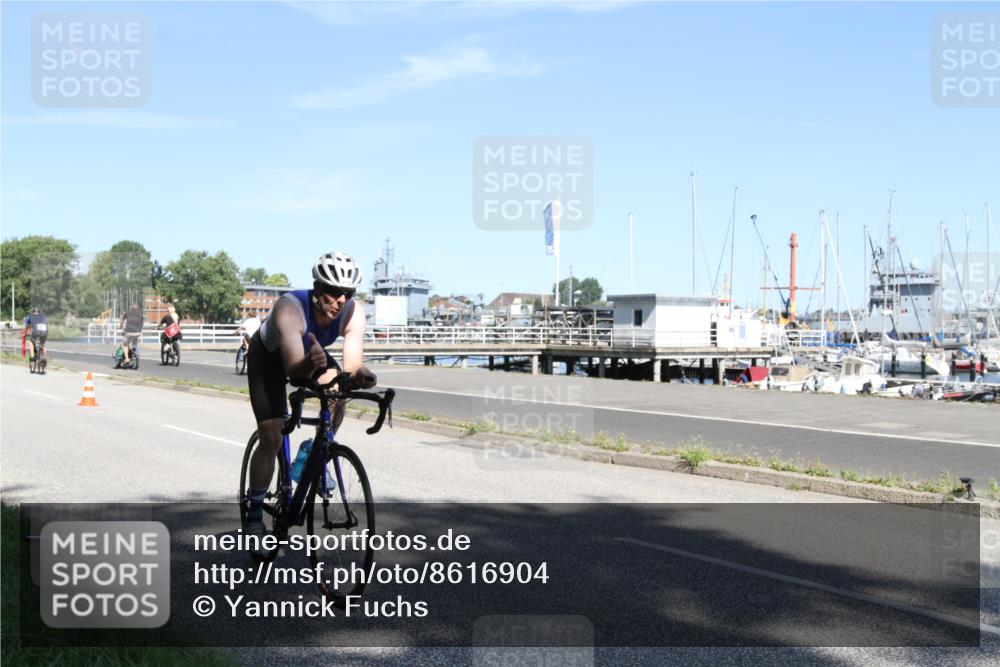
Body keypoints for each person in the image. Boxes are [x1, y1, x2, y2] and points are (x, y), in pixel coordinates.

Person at [245, 252, 376, 538]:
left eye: (348, 293)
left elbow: (352, 365)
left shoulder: (354, 312)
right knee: (272, 437)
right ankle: (254, 512)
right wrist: (310, 363)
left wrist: (361, 374)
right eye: (334, 293)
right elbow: (294, 371)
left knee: (339, 390)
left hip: (311, 355)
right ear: (317, 289)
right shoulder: (289, 309)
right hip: (270, 358)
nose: (341, 301)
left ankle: (314, 452)